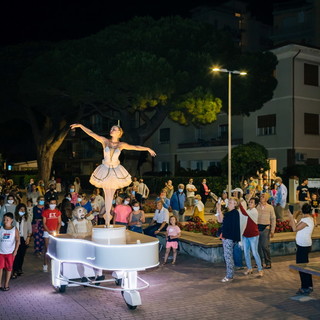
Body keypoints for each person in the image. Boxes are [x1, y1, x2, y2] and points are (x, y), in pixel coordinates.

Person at [70, 123, 156, 226]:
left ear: (119, 133)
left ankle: (108, 216)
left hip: (115, 170)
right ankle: (107, 218)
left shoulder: (121, 145)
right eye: (111, 128)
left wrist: (147, 148)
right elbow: (91, 133)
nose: (111, 130)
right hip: (105, 169)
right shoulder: (105, 141)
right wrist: (80, 126)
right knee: (107, 193)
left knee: (111, 193)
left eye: (114, 129)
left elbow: (135, 147)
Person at [288, 203, 314, 295]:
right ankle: (309, 285)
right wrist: (293, 217)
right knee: (305, 266)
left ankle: (305, 287)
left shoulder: (307, 220)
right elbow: (293, 225)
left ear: (303, 210)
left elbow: (295, 229)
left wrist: (292, 216)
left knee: (302, 267)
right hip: (303, 245)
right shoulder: (306, 219)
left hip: (304, 246)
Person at [216, 197, 241, 282]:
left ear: (235, 204)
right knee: (227, 256)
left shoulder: (234, 213)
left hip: (229, 237)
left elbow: (222, 220)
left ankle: (229, 276)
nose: (229, 203)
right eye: (229, 202)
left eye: (231, 202)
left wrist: (219, 209)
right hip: (226, 237)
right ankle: (230, 274)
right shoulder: (229, 213)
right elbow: (220, 220)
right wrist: (218, 210)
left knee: (228, 256)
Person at [239, 198, 263, 277]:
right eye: (249, 202)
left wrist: (239, 204)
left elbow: (244, 212)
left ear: (255, 204)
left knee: (255, 253)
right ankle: (249, 268)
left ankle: (260, 269)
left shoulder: (254, 211)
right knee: (246, 253)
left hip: (253, 235)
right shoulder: (249, 211)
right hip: (246, 235)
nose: (250, 203)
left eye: (252, 202)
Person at [0, 212, 20, 291]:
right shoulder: (1, 228)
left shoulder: (14, 229)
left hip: (10, 253)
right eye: (4, 219)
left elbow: (18, 240)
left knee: (9, 268)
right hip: (1, 252)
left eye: (7, 220)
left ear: (12, 220)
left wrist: (15, 251)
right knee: (0, 268)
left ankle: (6, 284)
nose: (5, 221)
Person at [12, 203, 32, 279]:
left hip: (23, 239)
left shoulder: (27, 218)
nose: (22, 211)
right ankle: (15, 270)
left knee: (21, 255)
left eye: (24, 210)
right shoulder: (14, 218)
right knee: (15, 255)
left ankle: (19, 268)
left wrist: (28, 237)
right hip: (15, 239)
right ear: (18, 210)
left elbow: (30, 229)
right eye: (21, 209)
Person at [257, 193, 276, 269]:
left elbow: (273, 219)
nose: (262, 197)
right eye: (261, 196)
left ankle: (268, 262)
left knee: (265, 246)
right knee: (258, 247)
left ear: (267, 198)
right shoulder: (256, 206)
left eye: (263, 196)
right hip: (257, 227)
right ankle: (259, 262)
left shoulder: (270, 207)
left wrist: (272, 230)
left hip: (266, 228)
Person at [42, 199, 62, 272]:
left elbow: (59, 222)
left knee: (55, 249)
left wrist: (57, 230)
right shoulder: (45, 212)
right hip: (47, 232)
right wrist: (48, 231)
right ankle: (45, 264)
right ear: (49, 203)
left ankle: (54, 265)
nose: (53, 204)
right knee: (47, 249)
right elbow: (44, 223)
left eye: (54, 203)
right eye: (51, 203)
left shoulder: (58, 212)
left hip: (55, 232)